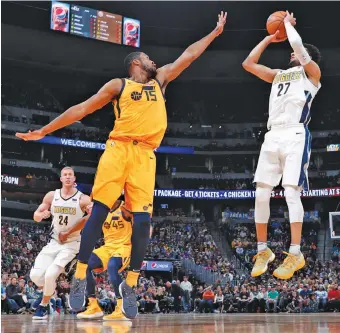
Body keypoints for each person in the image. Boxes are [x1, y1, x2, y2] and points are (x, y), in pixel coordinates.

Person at [16, 11, 227, 320]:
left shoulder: (162, 81)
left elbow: (188, 56)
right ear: (135, 63)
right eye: (148, 58)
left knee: (142, 222)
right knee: (100, 210)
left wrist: (214, 33)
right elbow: (82, 108)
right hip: (118, 150)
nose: (155, 62)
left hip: (146, 156)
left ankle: (130, 282)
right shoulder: (119, 85)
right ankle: (80, 275)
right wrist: (45, 131)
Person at [242, 11, 322, 280]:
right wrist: (268, 38)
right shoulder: (278, 75)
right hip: (272, 135)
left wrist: (287, 24)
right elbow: (249, 63)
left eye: (294, 54)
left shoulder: (312, 75)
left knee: (290, 192)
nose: (290, 54)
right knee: (261, 193)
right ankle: (263, 250)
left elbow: (299, 47)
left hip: (295, 135)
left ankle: (296, 251)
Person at [29, 167, 92, 320]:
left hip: (71, 243)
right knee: (36, 276)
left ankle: (43, 306)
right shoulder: (52, 196)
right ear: (61, 179)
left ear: (74, 178)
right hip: (54, 242)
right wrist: (41, 215)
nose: (68, 177)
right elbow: (36, 216)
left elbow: (90, 217)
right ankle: (50, 293)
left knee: (50, 275)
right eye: (65, 175)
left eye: (70, 175)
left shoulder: (83, 199)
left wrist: (69, 231)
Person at [77, 198, 132, 320]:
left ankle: (121, 307)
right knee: (83, 264)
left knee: (112, 267)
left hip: (124, 247)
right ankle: (93, 306)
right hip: (107, 247)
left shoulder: (126, 208)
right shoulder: (101, 209)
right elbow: (86, 221)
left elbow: (144, 223)